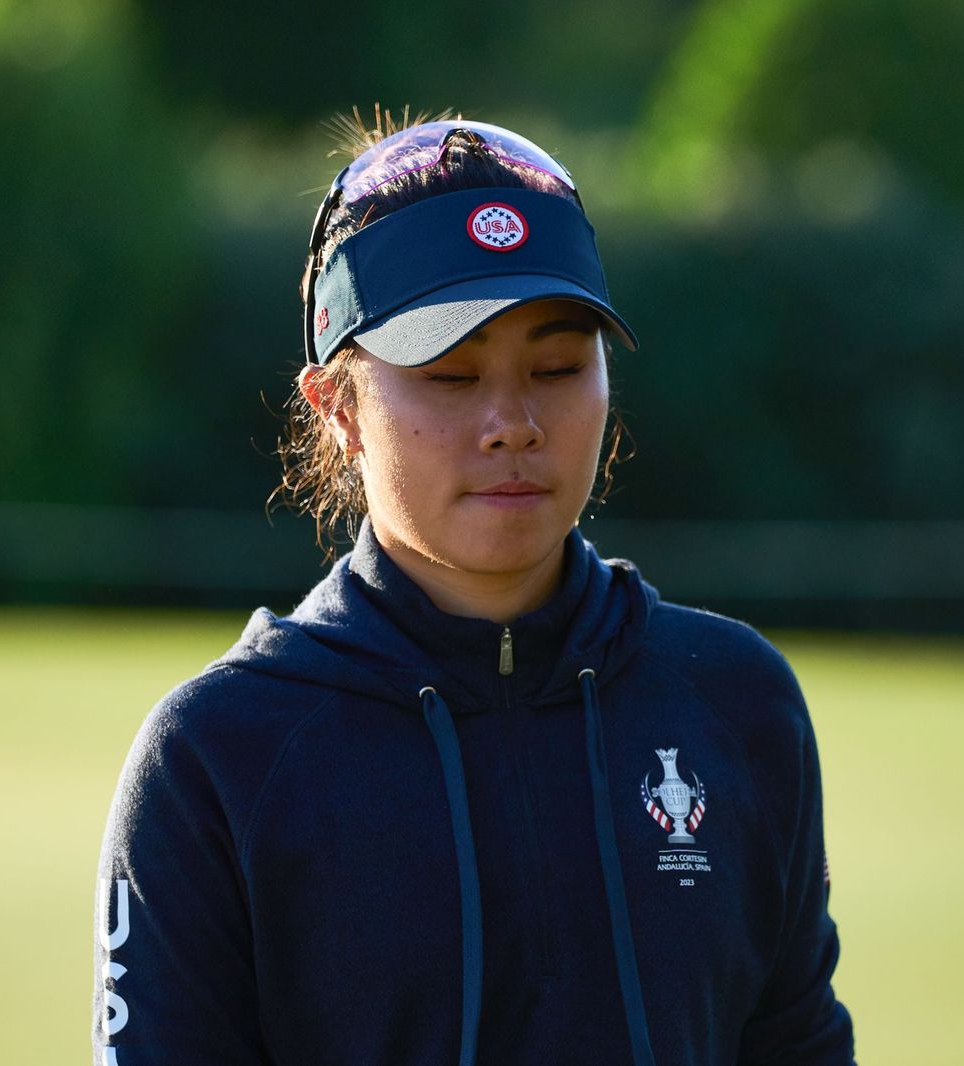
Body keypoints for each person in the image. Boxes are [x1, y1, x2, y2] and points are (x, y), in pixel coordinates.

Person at [93, 110, 856, 1066]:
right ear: (338, 409)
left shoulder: (736, 702)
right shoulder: (219, 758)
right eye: (452, 376)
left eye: (557, 366)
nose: (512, 422)